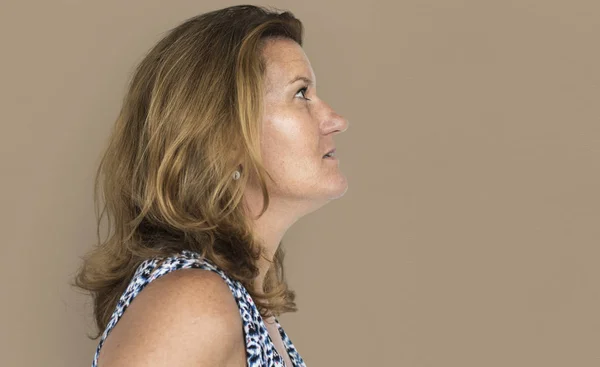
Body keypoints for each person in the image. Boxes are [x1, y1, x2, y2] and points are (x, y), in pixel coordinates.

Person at [74, 4, 349, 367]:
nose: (336, 121)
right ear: (225, 137)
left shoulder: (240, 306)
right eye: (301, 94)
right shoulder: (193, 304)